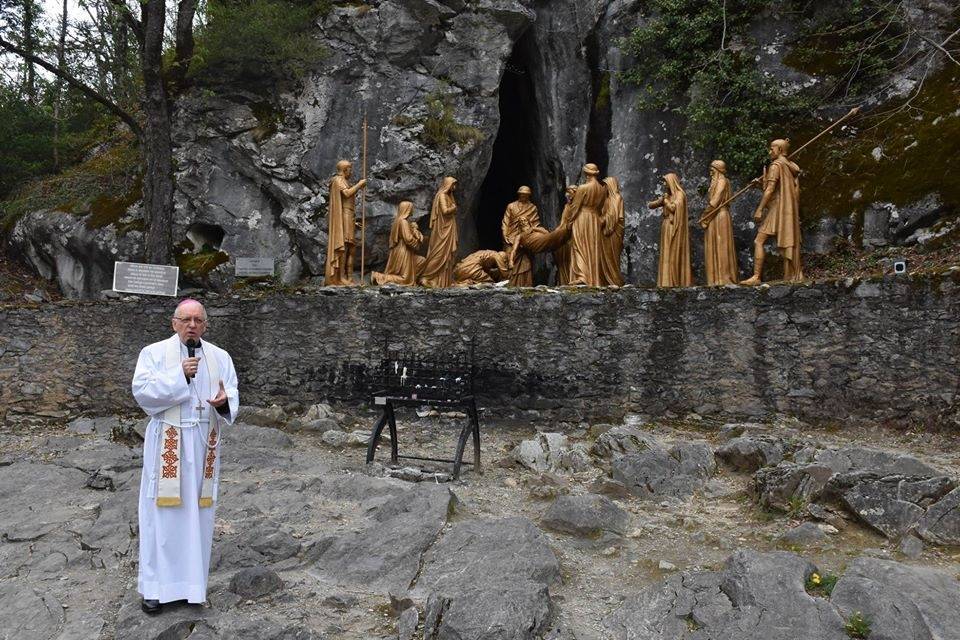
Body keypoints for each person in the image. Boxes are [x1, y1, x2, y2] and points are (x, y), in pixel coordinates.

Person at [131, 299, 239, 614]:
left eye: (198, 320)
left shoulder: (220, 356)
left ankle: (192, 587)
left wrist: (223, 402)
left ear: (205, 325)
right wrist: (180, 375)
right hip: (169, 440)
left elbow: (231, 392)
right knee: (161, 517)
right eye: (186, 319)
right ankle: (155, 589)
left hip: (204, 444)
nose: (192, 325)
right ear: (174, 322)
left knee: (198, 518)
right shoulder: (152, 354)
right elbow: (143, 393)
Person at [741, 139, 803, 285]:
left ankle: (756, 277)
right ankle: (797, 274)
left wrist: (760, 209)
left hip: (777, 209)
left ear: (780, 150)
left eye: (772, 149)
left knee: (759, 240)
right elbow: (774, 188)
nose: (770, 152)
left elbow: (770, 190)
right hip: (784, 208)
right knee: (787, 242)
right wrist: (759, 184)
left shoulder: (776, 165)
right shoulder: (789, 166)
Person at [324, 159, 368, 286]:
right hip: (344, 215)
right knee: (343, 246)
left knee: (349, 246)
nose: (351, 172)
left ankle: (347, 276)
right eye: (350, 169)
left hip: (348, 216)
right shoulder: (338, 180)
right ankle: (341, 276)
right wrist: (360, 184)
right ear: (345, 169)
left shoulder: (343, 181)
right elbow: (347, 193)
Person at [699, 160, 739, 285]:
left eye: (712, 170)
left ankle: (723, 278)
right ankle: (715, 278)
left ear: (717, 170)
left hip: (719, 215)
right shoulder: (716, 181)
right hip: (714, 216)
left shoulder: (721, 182)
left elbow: (714, 202)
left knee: (721, 245)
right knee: (714, 245)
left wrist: (705, 217)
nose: (710, 173)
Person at [648, 173, 692, 287]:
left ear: (671, 182)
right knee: (666, 253)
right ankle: (665, 281)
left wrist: (666, 201)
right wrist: (660, 201)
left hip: (675, 227)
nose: (664, 184)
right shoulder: (668, 195)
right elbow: (651, 205)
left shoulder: (680, 195)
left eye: (665, 181)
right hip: (666, 225)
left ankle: (674, 280)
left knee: (673, 252)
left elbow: (673, 208)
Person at [567, 163, 607, 286]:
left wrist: (570, 221)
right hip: (594, 218)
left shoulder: (583, 188)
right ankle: (593, 278)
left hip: (582, 217)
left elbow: (575, 206)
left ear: (586, 173)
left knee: (579, 246)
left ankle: (582, 275)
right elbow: (601, 207)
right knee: (592, 247)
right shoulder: (601, 189)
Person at [372, 201, 425, 286]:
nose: (412, 210)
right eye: (411, 208)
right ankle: (378, 276)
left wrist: (415, 231)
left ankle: (413, 280)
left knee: (421, 261)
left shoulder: (399, 221)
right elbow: (408, 239)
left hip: (401, 251)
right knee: (405, 278)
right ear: (407, 209)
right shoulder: (403, 221)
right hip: (403, 251)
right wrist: (417, 243)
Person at [420, 176, 459, 288]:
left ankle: (442, 280)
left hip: (448, 227)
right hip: (442, 230)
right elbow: (446, 211)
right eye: (453, 184)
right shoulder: (442, 195)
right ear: (448, 185)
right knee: (439, 253)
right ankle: (426, 277)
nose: (454, 187)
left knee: (447, 255)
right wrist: (453, 208)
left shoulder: (448, 196)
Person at [501, 186, 542, 287]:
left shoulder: (532, 208)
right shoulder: (511, 206)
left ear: (529, 196)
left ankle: (525, 283)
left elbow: (535, 223)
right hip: (511, 237)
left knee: (526, 261)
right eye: (521, 194)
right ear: (518, 194)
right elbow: (506, 221)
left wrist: (531, 234)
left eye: (525, 195)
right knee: (509, 257)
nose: (523, 196)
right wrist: (505, 234)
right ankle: (509, 282)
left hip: (525, 237)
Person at [600, 176, 625, 286]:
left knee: (613, 257)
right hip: (606, 231)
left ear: (610, 186)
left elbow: (613, 215)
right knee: (605, 257)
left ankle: (615, 280)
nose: (603, 188)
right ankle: (605, 280)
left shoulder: (617, 198)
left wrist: (601, 220)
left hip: (614, 231)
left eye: (605, 185)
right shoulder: (606, 200)